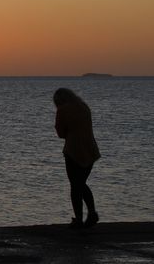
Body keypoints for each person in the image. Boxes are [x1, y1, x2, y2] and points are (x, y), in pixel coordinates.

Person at [53, 88, 101, 229]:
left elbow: (61, 133)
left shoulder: (62, 110)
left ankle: (79, 219)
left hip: (73, 151)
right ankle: (91, 213)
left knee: (75, 185)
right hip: (90, 149)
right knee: (81, 183)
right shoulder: (84, 107)